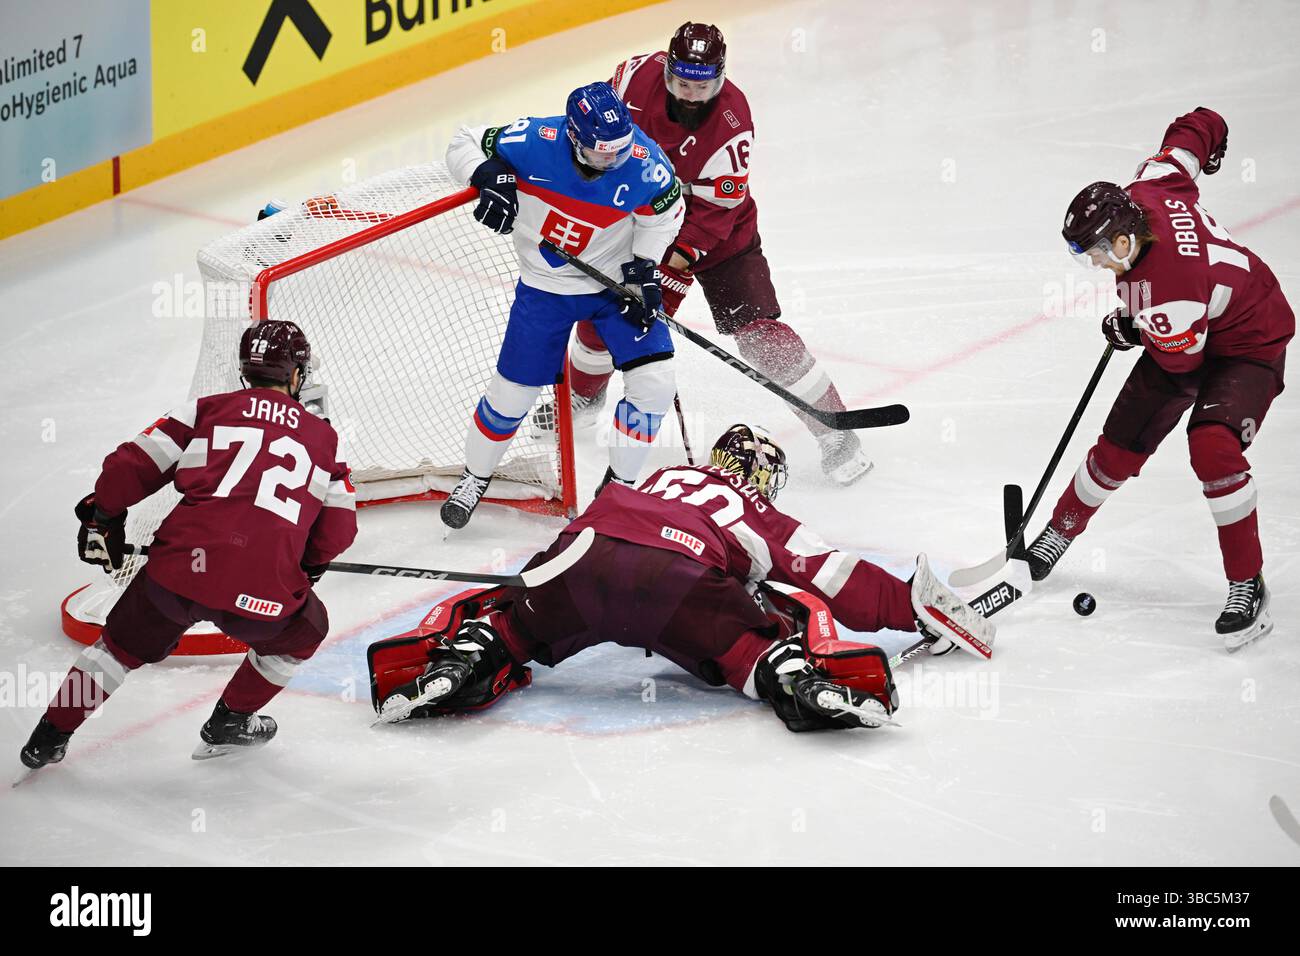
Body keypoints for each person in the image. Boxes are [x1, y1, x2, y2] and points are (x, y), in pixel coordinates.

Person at [370, 424, 994, 732]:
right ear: (760, 477)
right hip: (679, 585)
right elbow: (832, 576)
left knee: (511, 626)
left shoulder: (650, 479)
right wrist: (914, 609)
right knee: (760, 642)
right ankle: (801, 687)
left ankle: (460, 666)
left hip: (584, 552)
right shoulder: (753, 506)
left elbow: (593, 526)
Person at [539, 22, 873, 486]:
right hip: (636, 218)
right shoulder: (634, 77)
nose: (692, 96)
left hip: (719, 233)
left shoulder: (733, 122)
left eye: (704, 85)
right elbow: (595, 130)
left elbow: (717, 210)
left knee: (758, 330)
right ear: (667, 70)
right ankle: (583, 397)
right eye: (682, 84)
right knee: (605, 311)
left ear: (720, 77)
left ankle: (835, 431)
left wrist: (669, 268)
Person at [19, 321, 358, 774]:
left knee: (117, 648)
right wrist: (308, 567)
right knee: (306, 632)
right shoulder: (323, 439)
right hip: (263, 589)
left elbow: (127, 467)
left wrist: (104, 515)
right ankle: (230, 722)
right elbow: (338, 531)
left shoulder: (206, 410)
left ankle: (49, 736)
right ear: (296, 374)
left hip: (178, 571)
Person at [1026, 107, 1292, 651]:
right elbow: (1193, 131)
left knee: (1212, 446)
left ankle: (1248, 582)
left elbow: (1183, 369)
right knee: (1121, 440)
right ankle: (1059, 532)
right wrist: (1212, 135)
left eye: (1104, 252)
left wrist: (1134, 326)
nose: (1101, 265)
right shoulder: (1151, 185)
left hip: (1247, 342)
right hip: (1190, 326)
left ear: (1125, 237)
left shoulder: (1164, 292)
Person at [440, 81, 685, 529]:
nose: (613, 161)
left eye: (620, 150)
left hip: (613, 286)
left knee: (655, 381)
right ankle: (475, 476)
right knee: (511, 397)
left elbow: (666, 212)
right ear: (574, 138)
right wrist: (484, 173)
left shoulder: (645, 163)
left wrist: (645, 267)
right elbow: (464, 140)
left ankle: (619, 489)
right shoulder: (535, 141)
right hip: (544, 287)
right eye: (601, 153)